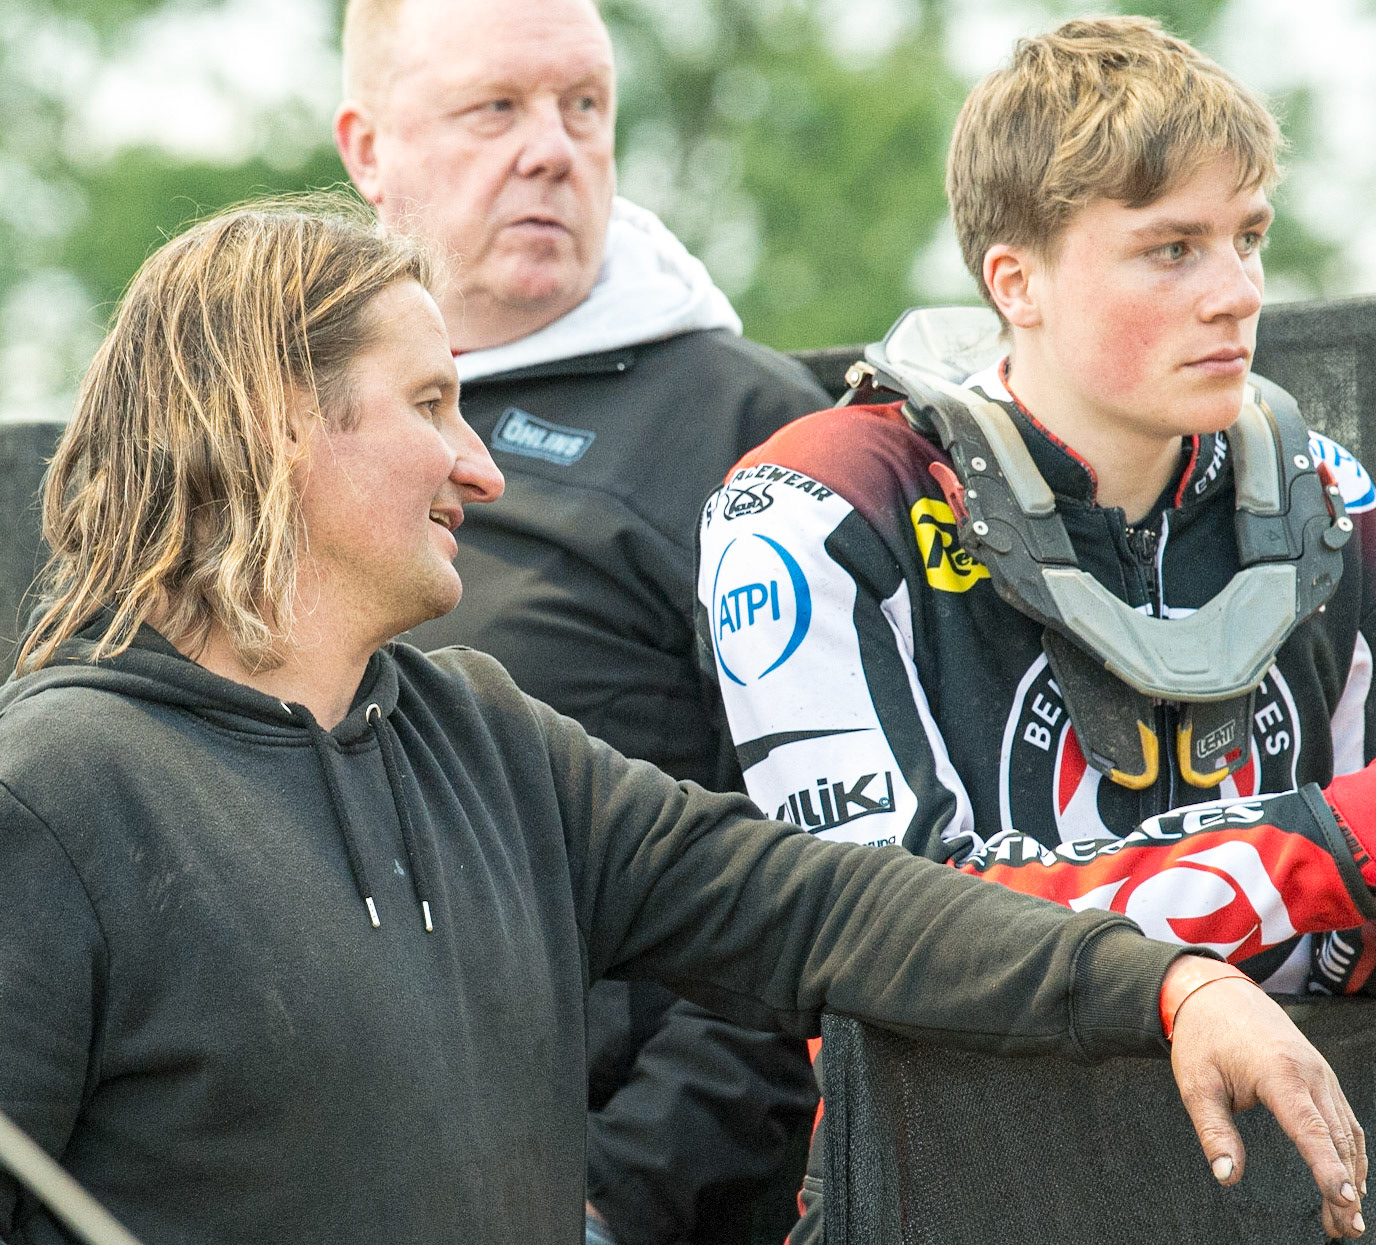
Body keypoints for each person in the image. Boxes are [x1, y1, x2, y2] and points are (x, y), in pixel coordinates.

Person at [0, 197, 1371, 1244]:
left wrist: (1162, 986)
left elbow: (821, 909)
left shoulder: (482, 734)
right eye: (431, 409)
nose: (484, 471)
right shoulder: (48, 792)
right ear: (275, 429)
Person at [694, 16, 1376, 1237]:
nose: (1238, 291)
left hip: (1266, 1181)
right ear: (1016, 282)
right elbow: (884, 938)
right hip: (957, 1180)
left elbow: (1336, 954)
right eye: (1172, 249)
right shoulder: (817, 506)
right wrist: (1315, 853)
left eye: (1248, 237)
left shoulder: (1333, 504)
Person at [331, 2, 832, 1241]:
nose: (552, 148)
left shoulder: (752, 433)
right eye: (494, 108)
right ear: (367, 148)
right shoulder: (280, 413)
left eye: (584, 106)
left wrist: (616, 1203)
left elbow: (816, 875)